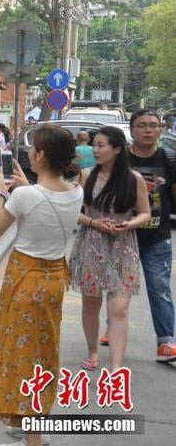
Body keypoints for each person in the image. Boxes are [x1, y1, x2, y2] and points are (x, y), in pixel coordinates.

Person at [0, 124, 84, 446]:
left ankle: (32, 439)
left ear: (40, 156)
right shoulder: (76, 191)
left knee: (20, 357)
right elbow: (46, 202)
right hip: (53, 280)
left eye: (32, 149)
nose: (28, 153)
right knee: (40, 354)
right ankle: (30, 428)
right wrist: (26, 187)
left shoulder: (25, 196)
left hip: (24, 282)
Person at [69, 126, 150, 372]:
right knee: (91, 304)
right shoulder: (85, 176)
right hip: (91, 244)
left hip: (123, 247)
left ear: (116, 149)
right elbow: (73, 211)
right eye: (94, 145)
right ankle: (93, 350)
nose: (95, 150)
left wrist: (129, 224)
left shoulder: (133, 178)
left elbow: (145, 213)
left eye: (101, 145)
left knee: (120, 308)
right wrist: (94, 222)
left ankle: (116, 367)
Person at [123, 110, 176, 363]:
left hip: (157, 236)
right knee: (118, 290)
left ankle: (166, 342)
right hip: (122, 236)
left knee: (160, 289)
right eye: (142, 125)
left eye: (153, 125)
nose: (148, 130)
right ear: (132, 129)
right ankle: (113, 327)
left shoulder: (170, 158)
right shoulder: (119, 158)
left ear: (160, 129)